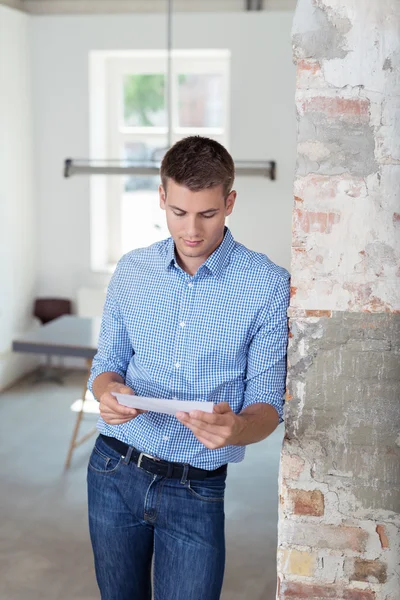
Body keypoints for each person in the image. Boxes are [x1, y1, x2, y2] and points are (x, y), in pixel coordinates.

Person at [87, 135, 290, 600]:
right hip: (112, 470)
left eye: (208, 213)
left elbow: (268, 404)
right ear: (162, 197)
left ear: (230, 201)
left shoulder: (267, 285)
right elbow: (107, 364)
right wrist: (107, 392)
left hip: (195, 490)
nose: (192, 229)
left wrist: (235, 428)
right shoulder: (132, 271)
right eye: (178, 213)